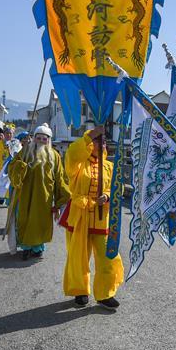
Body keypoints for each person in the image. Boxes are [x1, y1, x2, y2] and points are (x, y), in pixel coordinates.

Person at [60, 125, 124, 310]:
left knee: (108, 257)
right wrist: (92, 134)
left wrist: (108, 196)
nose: (101, 144)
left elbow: (117, 188)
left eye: (103, 142)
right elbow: (72, 152)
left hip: (102, 218)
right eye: (97, 141)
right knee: (78, 258)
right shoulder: (77, 164)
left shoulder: (110, 167)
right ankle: (80, 291)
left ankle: (105, 294)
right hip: (80, 216)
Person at [6, 124, 70, 260]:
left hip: (44, 198)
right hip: (25, 195)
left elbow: (60, 178)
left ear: (49, 140)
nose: (41, 141)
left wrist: (62, 200)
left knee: (39, 223)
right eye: (38, 138)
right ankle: (26, 248)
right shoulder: (25, 152)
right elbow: (12, 168)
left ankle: (38, 248)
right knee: (25, 220)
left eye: (44, 139)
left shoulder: (55, 156)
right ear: (34, 138)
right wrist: (21, 166)